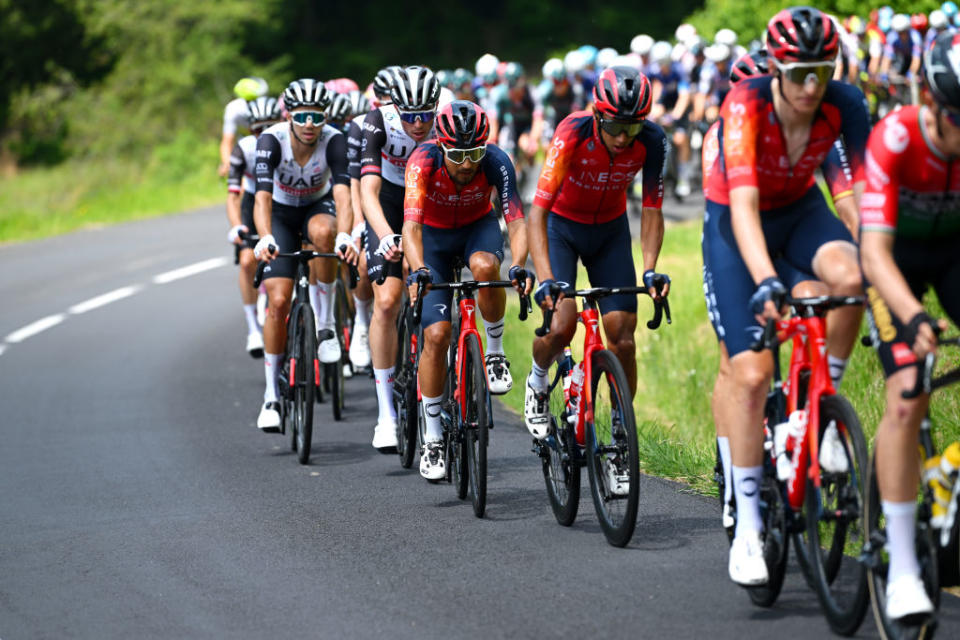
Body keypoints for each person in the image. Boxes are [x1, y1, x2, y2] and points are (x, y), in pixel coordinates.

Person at [701, 7, 869, 586]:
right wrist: (766, 279)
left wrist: (882, 262)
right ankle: (747, 526)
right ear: (775, 68)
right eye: (798, 72)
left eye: (822, 70)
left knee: (852, 279)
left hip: (801, 214)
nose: (810, 85)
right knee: (750, 374)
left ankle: (822, 415)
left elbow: (858, 199)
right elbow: (742, 206)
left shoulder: (844, 104)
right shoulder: (744, 104)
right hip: (737, 225)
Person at [859, 31, 960, 621]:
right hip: (892, 264)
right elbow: (873, 255)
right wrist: (916, 317)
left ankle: (948, 474)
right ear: (928, 102)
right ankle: (900, 566)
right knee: (906, 395)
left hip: (951, 258)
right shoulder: (893, 138)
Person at [524, 66, 671, 438]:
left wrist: (650, 269)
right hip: (562, 229)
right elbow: (537, 213)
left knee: (622, 337)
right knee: (560, 326)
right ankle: (538, 380)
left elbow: (653, 210)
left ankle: (622, 430)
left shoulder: (653, 141)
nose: (623, 138)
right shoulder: (573, 132)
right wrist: (545, 280)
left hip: (610, 232)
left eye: (633, 127)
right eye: (615, 126)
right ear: (596, 114)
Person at [402, 100, 532, 479]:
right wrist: (419, 268)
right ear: (441, 147)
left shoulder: (496, 161)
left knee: (486, 268)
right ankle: (433, 436)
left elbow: (517, 220)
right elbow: (411, 226)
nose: (466, 163)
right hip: (434, 240)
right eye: (457, 154)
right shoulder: (422, 162)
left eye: (475, 153)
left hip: (477, 228)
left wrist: (520, 264)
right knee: (438, 335)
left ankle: (493, 352)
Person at [251, 79, 357, 431]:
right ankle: (270, 396)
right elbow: (262, 198)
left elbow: (343, 196)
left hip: (318, 205)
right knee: (279, 301)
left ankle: (325, 325)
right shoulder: (271, 141)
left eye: (317, 116)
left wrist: (344, 234)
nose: (310, 123)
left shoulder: (335, 140)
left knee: (325, 234)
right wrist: (265, 237)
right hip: (280, 213)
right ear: (289, 117)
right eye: (302, 117)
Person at [360, 65, 441, 451]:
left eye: (426, 114)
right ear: (396, 108)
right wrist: (385, 235)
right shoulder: (378, 121)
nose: (419, 124)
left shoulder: (447, 120)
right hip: (390, 204)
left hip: (432, 204)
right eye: (410, 116)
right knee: (388, 300)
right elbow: (368, 191)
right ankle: (386, 415)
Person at [226, 96, 282, 358]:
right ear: (251, 130)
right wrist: (237, 226)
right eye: (260, 129)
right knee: (248, 261)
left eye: (271, 127)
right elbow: (233, 195)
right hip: (252, 200)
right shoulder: (244, 148)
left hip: (283, 200)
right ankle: (253, 329)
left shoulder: (288, 143)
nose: (265, 134)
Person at [219, 77, 269, 177]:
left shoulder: (269, 107)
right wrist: (227, 163)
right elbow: (227, 141)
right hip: (246, 148)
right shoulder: (234, 110)